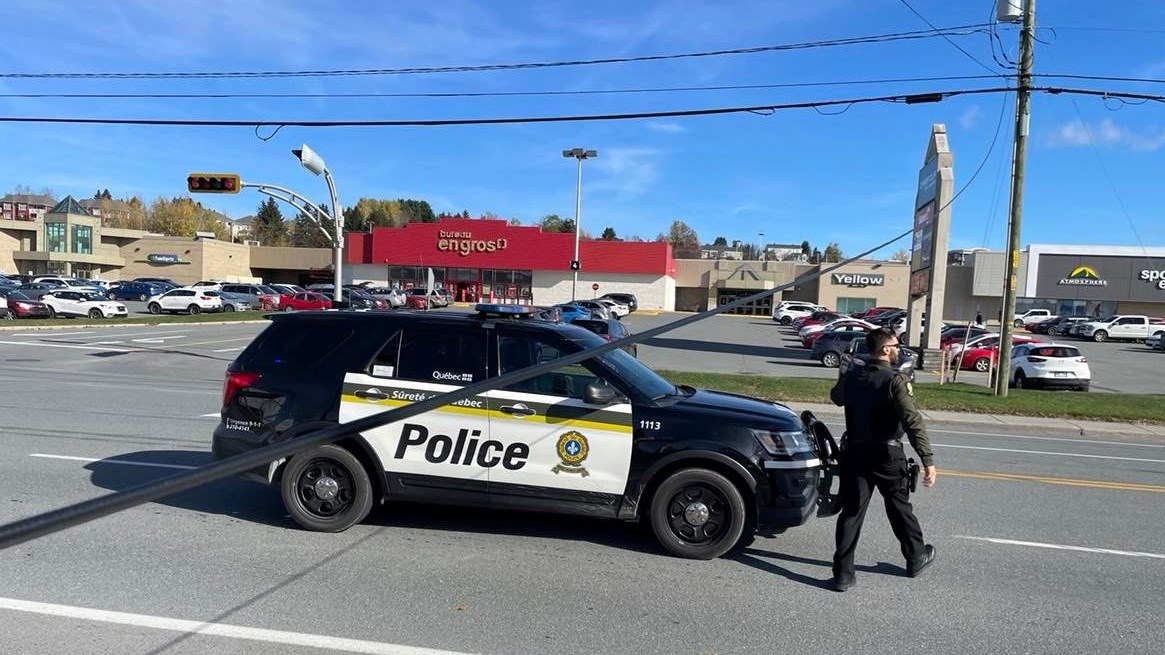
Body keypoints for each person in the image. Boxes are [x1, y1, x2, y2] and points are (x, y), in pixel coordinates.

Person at [828, 327, 937, 592]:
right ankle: (916, 557)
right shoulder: (895, 380)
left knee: (852, 513)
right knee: (899, 507)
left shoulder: (854, 376)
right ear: (886, 349)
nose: (899, 349)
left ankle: (843, 574)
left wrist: (843, 374)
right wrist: (927, 459)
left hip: (855, 453)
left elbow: (836, 398)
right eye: (896, 345)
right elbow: (912, 420)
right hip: (887, 455)